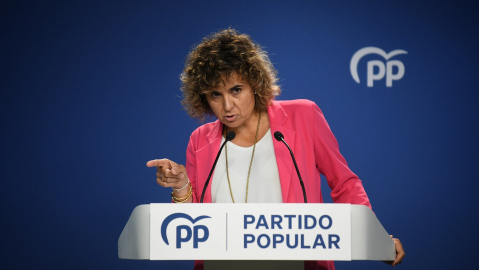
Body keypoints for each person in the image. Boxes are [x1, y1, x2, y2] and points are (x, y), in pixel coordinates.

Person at [147, 28, 405, 269]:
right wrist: (181, 185)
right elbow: (194, 226)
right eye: (215, 95)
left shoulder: (303, 116)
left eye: (236, 90)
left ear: (255, 84)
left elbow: (344, 182)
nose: (227, 106)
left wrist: (372, 236)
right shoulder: (200, 140)